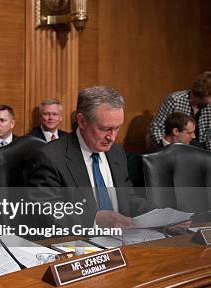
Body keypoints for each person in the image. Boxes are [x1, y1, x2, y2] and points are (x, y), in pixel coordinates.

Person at [28, 86, 152, 228]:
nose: (112, 137)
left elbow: (128, 199)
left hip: (125, 240)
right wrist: (93, 220)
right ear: (82, 121)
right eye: (105, 129)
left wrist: (167, 218)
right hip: (80, 242)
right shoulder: (50, 156)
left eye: (117, 128)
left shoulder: (116, 151)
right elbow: (47, 212)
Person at [148, 71, 211, 150]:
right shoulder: (175, 100)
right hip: (173, 148)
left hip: (200, 150)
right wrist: (165, 151)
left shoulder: (209, 107)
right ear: (204, 93)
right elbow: (156, 128)